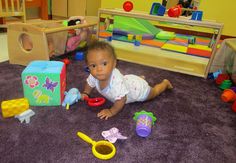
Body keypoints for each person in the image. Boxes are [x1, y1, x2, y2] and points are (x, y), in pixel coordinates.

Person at [81, 41, 173, 120]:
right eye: (93, 65)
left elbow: (122, 99)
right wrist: (86, 93)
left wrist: (111, 111)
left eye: (104, 64)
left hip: (139, 91)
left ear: (114, 64)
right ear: (88, 66)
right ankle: (139, 78)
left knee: (154, 92)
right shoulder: (94, 75)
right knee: (129, 81)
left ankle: (164, 83)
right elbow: (89, 83)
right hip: (129, 80)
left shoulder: (116, 82)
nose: (99, 69)